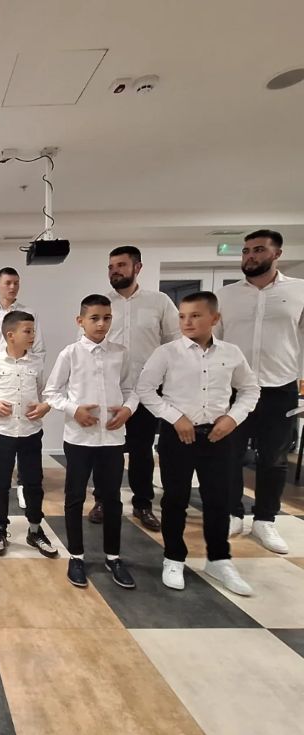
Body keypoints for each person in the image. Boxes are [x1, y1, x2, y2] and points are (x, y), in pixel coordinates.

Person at [137, 292, 259, 595]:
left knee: (218, 500)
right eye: (182, 316)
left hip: (218, 436)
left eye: (195, 315)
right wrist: (174, 417)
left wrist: (232, 418)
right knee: (175, 499)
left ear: (214, 318)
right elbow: (145, 389)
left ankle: (218, 559)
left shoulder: (231, 353)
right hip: (178, 436)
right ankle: (173, 557)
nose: (187, 322)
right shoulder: (167, 353)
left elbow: (249, 389)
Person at [216, 229, 304, 554]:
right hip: (235, 389)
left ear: (276, 254)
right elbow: (215, 343)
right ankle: (232, 514)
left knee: (274, 459)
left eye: (258, 250)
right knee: (229, 455)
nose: (250, 256)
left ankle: (265, 520)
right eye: (246, 251)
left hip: (280, 388)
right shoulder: (226, 296)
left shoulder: (299, 291)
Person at [44, 294, 137, 589]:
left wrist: (128, 409)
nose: (101, 324)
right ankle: (76, 556)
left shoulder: (120, 353)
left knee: (112, 498)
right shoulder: (70, 354)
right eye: (94, 318)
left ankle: (113, 557)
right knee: (74, 497)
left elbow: (131, 389)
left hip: (111, 438)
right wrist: (74, 410)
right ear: (80, 321)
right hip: (79, 438)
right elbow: (51, 393)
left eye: (106, 318)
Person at [88, 246, 180, 531]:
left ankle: (142, 503)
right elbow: (89, 343)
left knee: (142, 449)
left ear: (137, 268)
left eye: (121, 265)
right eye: (111, 266)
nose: (114, 271)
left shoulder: (159, 302)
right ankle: (102, 500)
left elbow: (174, 343)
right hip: (109, 389)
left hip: (146, 390)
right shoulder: (103, 305)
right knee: (106, 449)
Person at [0, 310, 57, 557]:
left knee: (33, 482)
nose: (33, 335)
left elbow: (47, 391)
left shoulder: (36, 362)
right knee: (0, 483)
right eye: (28, 331)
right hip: (3, 433)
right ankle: (0, 528)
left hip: (31, 432)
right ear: (10, 335)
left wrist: (45, 406)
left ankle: (35, 529)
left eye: (33, 331)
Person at [0, 267, 46, 507]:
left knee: (27, 436)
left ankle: (24, 484)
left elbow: (39, 349)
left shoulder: (29, 314)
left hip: (24, 375)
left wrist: (29, 370)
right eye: (8, 283)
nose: (12, 287)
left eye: (16, 282)